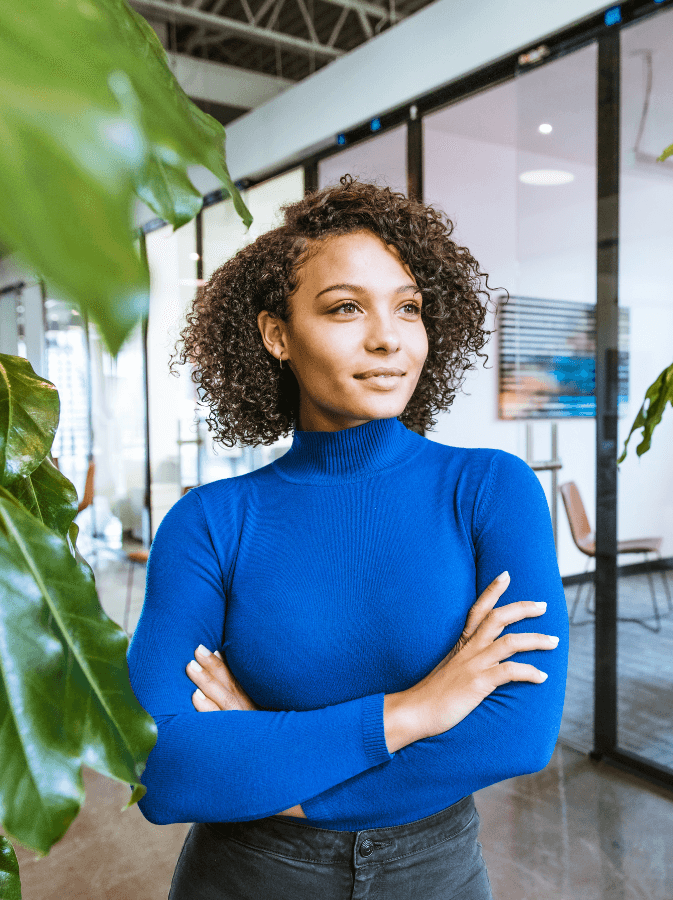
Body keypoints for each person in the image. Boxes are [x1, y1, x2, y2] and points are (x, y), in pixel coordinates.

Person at [125, 175, 570, 900]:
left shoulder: (489, 490)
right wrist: (418, 709)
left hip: (434, 875)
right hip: (250, 878)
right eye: (344, 308)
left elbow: (517, 733)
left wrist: (269, 761)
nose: (388, 337)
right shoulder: (210, 521)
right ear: (277, 334)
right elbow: (162, 767)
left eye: (408, 307)